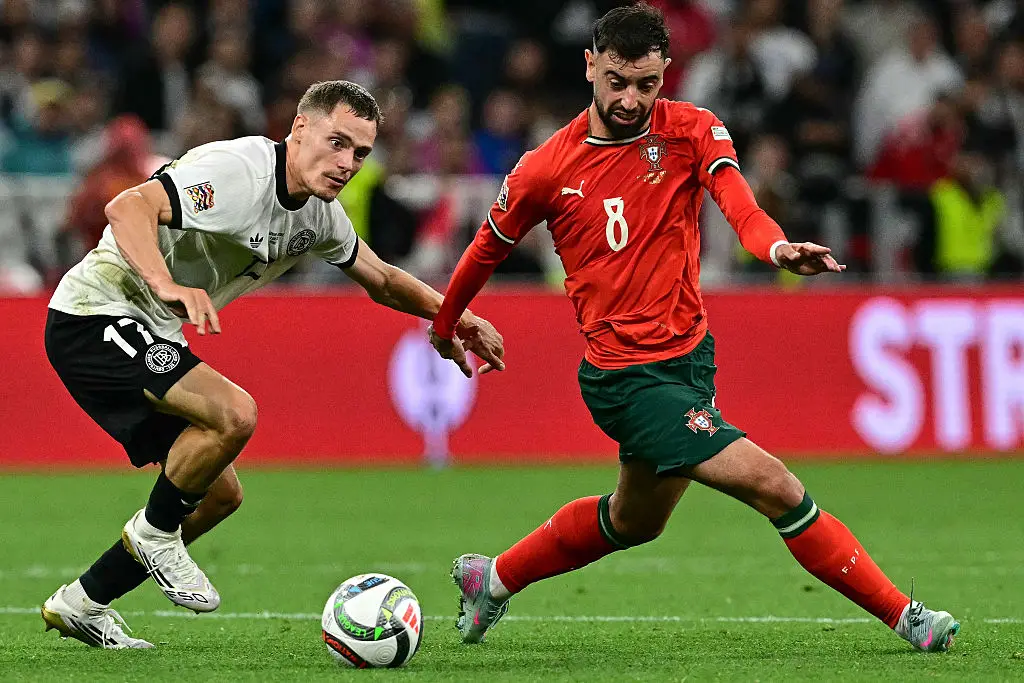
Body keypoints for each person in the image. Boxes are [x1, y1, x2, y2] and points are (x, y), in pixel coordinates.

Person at [428, 4, 959, 654]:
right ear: (591, 65)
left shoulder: (691, 130)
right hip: (625, 380)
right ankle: (909, 618)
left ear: (665, 74)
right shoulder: (547, 167)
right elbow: (485, 247)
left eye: (646, 84)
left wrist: (776, 249)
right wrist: (445, 325)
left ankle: (494, 577)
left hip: (689, 361)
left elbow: (740, 203)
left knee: (633, 519)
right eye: (617, 81)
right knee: (775, 485)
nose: (630, 99)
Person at [41, 80, 504, 649]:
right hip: (94, 313)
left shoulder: (318, 215)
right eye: (337, 143)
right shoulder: (239, 172)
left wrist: (453, 315)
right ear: (299, 128)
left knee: (218, 494)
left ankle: (84, 602)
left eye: (360, 153)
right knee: (234, 414)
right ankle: (156, 535)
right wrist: (168, 284)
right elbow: (127, 205)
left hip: (145, 327)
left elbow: (381, 279)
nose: (347, 164)